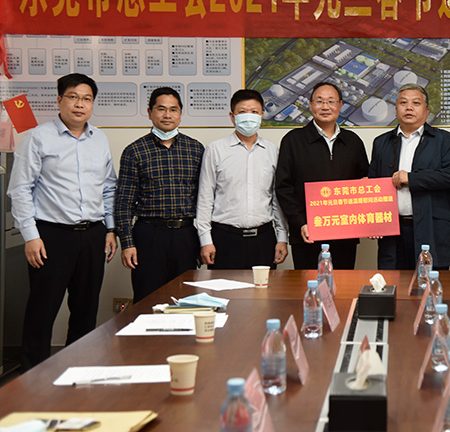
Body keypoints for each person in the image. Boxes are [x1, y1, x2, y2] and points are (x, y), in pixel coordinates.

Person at [7, 73, 117, 371]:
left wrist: (110, 228)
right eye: (73, 97)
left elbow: (109, 187)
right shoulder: (38, 137)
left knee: (86, 309)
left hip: (93, 235)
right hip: (51, 236)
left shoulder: (100, 139)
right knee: (42, 310)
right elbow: (20, 189)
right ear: (59, 100)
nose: (80, 104)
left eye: (86, 99)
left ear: (92, 104)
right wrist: (31, 236)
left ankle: (78, 371)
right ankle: (32, 377)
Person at [114, 87, 204, 303]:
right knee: (147, 300)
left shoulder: (196, 149)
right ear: (150, 112)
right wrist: (127, 243)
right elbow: (123, 202)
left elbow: (205, 198)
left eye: (173, 110)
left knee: (186, 300)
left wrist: (204, 240)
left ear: (180, 113)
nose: (167, 115)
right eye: (161, 109)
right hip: (149, 235)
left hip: (186, 235)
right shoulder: (134, 151)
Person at [368, 84, 450, 270]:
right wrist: (373, 220)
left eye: (416, 103)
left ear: (427, 110)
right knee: (393, 282)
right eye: (403, 103)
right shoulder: (381, 142)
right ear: (396, 109)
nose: (409, 107)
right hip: (392, 232)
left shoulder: (444, 140)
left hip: (430, 228)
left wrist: (412, 179)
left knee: (429, 282)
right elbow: (373, 183)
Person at [276, 82, 369, 269]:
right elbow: (283, 187)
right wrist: (300, 222)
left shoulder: (353, 141)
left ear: (340, 105)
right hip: (307, 234)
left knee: (343, 284)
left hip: (345, 234)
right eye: (319, 101)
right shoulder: (293, 141)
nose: (325, 107)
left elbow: (365, 182)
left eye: (331, 101)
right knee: (308, 284)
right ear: (310, 105)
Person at [196, 89, 288, 269]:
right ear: (232, 116)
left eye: (254, 112)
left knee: (264, 288)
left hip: (264, 239)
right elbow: (205, 197)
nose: (249, 117)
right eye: (243, 112)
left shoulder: (272, 151)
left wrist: (282, 237)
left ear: (262, 115)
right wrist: (205, 240)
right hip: (224, 239)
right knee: (224, 287)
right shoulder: (215, 149)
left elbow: (276, 198)